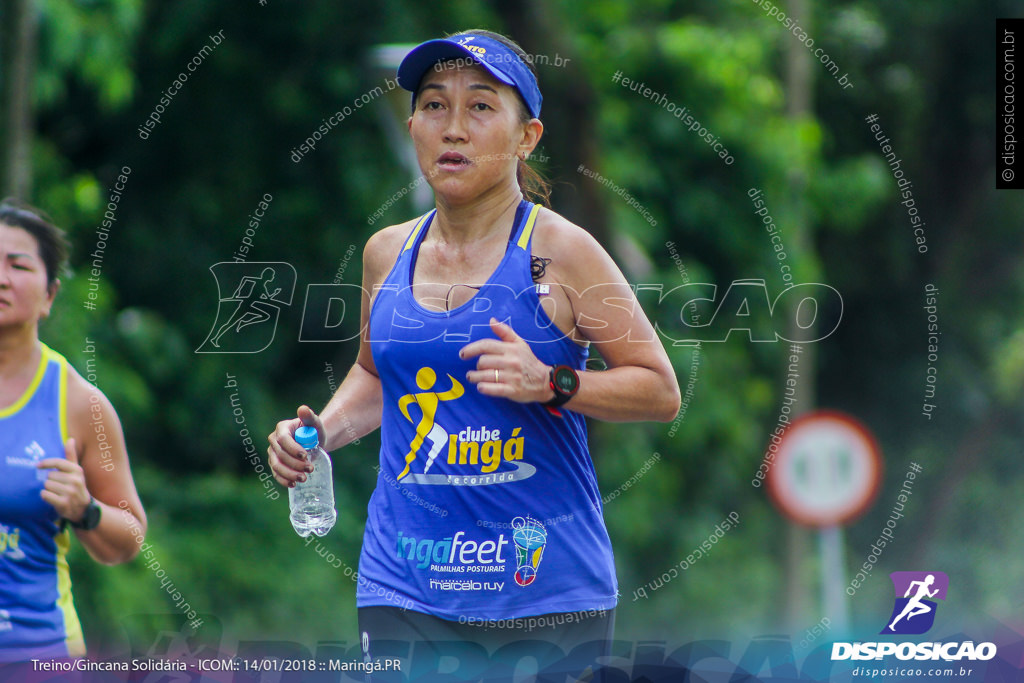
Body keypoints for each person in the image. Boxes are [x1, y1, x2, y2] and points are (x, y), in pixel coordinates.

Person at [268, 29, 680, 680]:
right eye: (434, 106)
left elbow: (659, 389)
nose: (453, 128)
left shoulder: (563, 252)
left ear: (527, 137)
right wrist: (316, 432)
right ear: (413, 127)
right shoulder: (386, 252)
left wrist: (553, 381)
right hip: (403, 581)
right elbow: (376, 376)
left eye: (481, 106)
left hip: (543, 589)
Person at [0, 201, 147, 665]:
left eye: (18, 265)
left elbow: (130, 535)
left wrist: (85, 510)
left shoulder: (82, 406)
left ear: (50, 294)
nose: (1, 277)